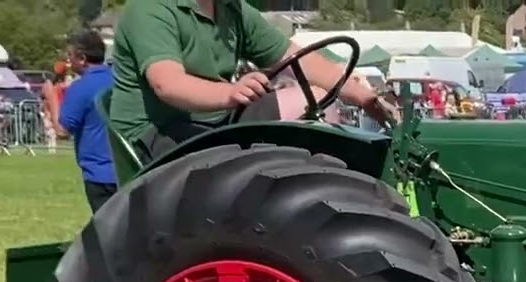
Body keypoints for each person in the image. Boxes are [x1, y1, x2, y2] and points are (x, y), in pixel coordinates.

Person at [109, 0, 394, 163]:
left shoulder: (231, 8)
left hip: (214, 122)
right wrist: (231, 92)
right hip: (157, 135)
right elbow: (167, 84)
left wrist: (363, 97)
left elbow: (293, 57)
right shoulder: (151, 9)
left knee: (313, 99)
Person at [59, 30, 117, 213]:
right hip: (129, 168)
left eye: (70, 56)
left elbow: (62, 130)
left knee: (108, 231)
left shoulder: (81, 87)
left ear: (82, 58)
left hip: (99, 173)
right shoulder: (121, 79)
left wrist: (51, 97)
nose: (68, 62)